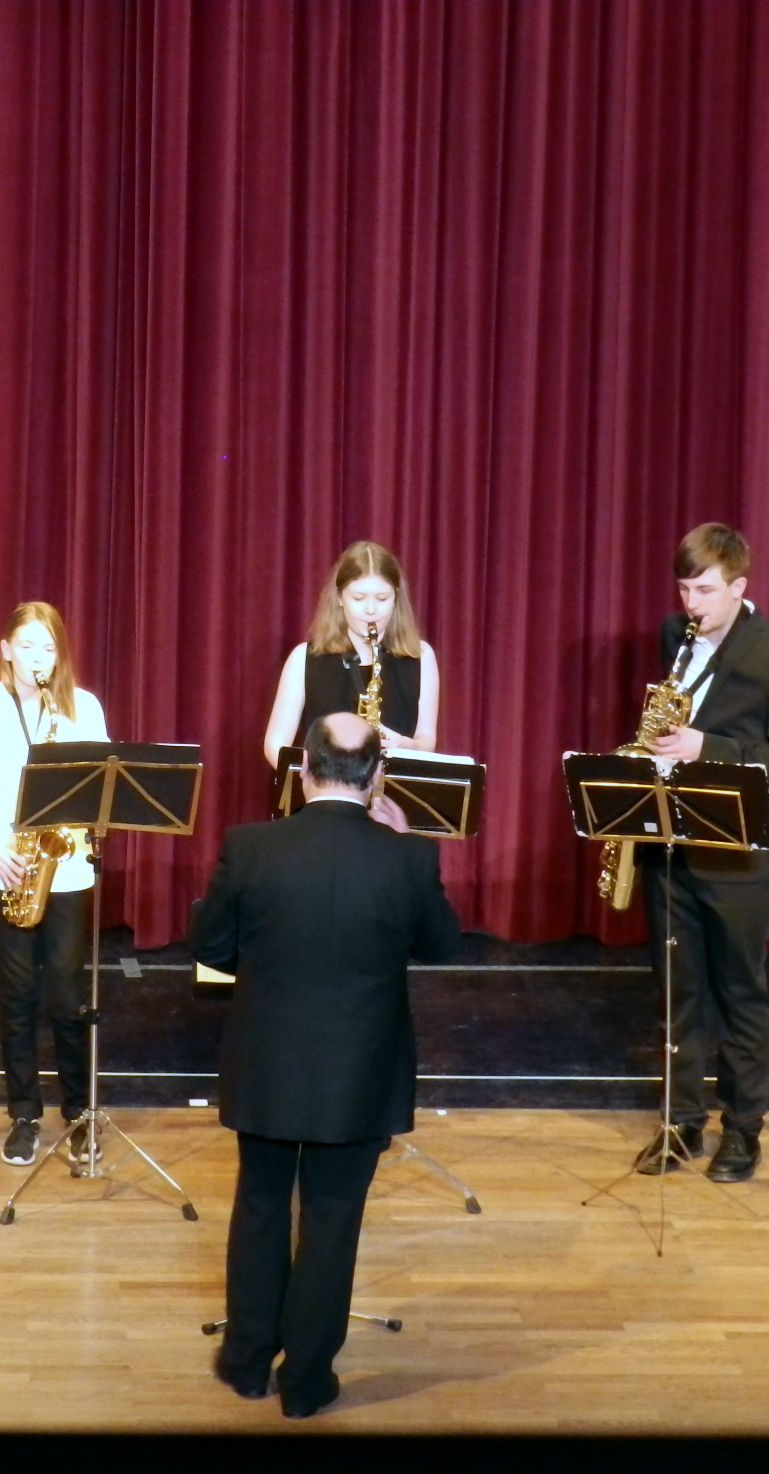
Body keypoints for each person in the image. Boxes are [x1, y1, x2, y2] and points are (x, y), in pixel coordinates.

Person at [189, 713, 462, 1419]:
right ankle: (307, 1384)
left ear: (303, 768)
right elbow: (442, 946)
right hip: (360, 1070)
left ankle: (247, 1363)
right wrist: (405, 842)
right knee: (333, 1219)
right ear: (377, 776)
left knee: (259, 1206)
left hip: (268, 1063)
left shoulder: (250, 846)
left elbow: (210, 948)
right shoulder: (408, 856)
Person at [630, 523, 769, 1184]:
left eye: (705, 590)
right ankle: (681, 1122)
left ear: (739, 586)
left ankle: (742, 1130)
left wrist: (705, 747)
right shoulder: (673, 635)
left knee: (740, 993)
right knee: (676, 991)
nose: (691, 604)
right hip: (670, 843)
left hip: (739, 853)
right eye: (684, 588)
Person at [0, 602, 109, 1166]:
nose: (39, 658)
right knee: (17, 994)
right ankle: (24, 1113)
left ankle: (80, 1110)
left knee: (67, 994)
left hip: (69, 868)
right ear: (6, 649)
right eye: (28, 646)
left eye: (49, 648)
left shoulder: (83, 707)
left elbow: (100, 787)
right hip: (6, 865)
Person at [262, 540, 440, 768]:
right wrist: (314, 775)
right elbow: (275, 743)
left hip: (393, 788)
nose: (371, 610)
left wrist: (406, 745)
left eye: (382, 599)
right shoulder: (303, 659)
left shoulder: (421, 656)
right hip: (320, 787)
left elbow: (426, 740)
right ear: (339, 597)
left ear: (396, 598)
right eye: (358, 598)